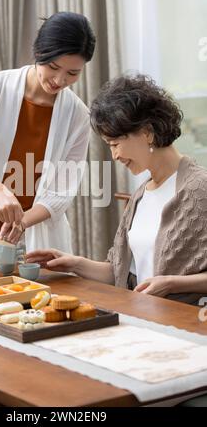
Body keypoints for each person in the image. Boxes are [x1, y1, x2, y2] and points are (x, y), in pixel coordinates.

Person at [27, 74, 207, 305]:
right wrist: (74, 263)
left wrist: (172, 283)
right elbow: (118, 271)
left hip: (186, 325)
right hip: (145, 319)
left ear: (147, 132)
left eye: (115, 144)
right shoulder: (141, 195)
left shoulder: (199, 190)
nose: (115, 156)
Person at [0, 12, 96, 253]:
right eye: (53, 67)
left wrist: (21, 222)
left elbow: (61, 193)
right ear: (38, 52)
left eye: (72, 73)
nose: (59, 80)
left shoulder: (78, 116)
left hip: (41, 245)